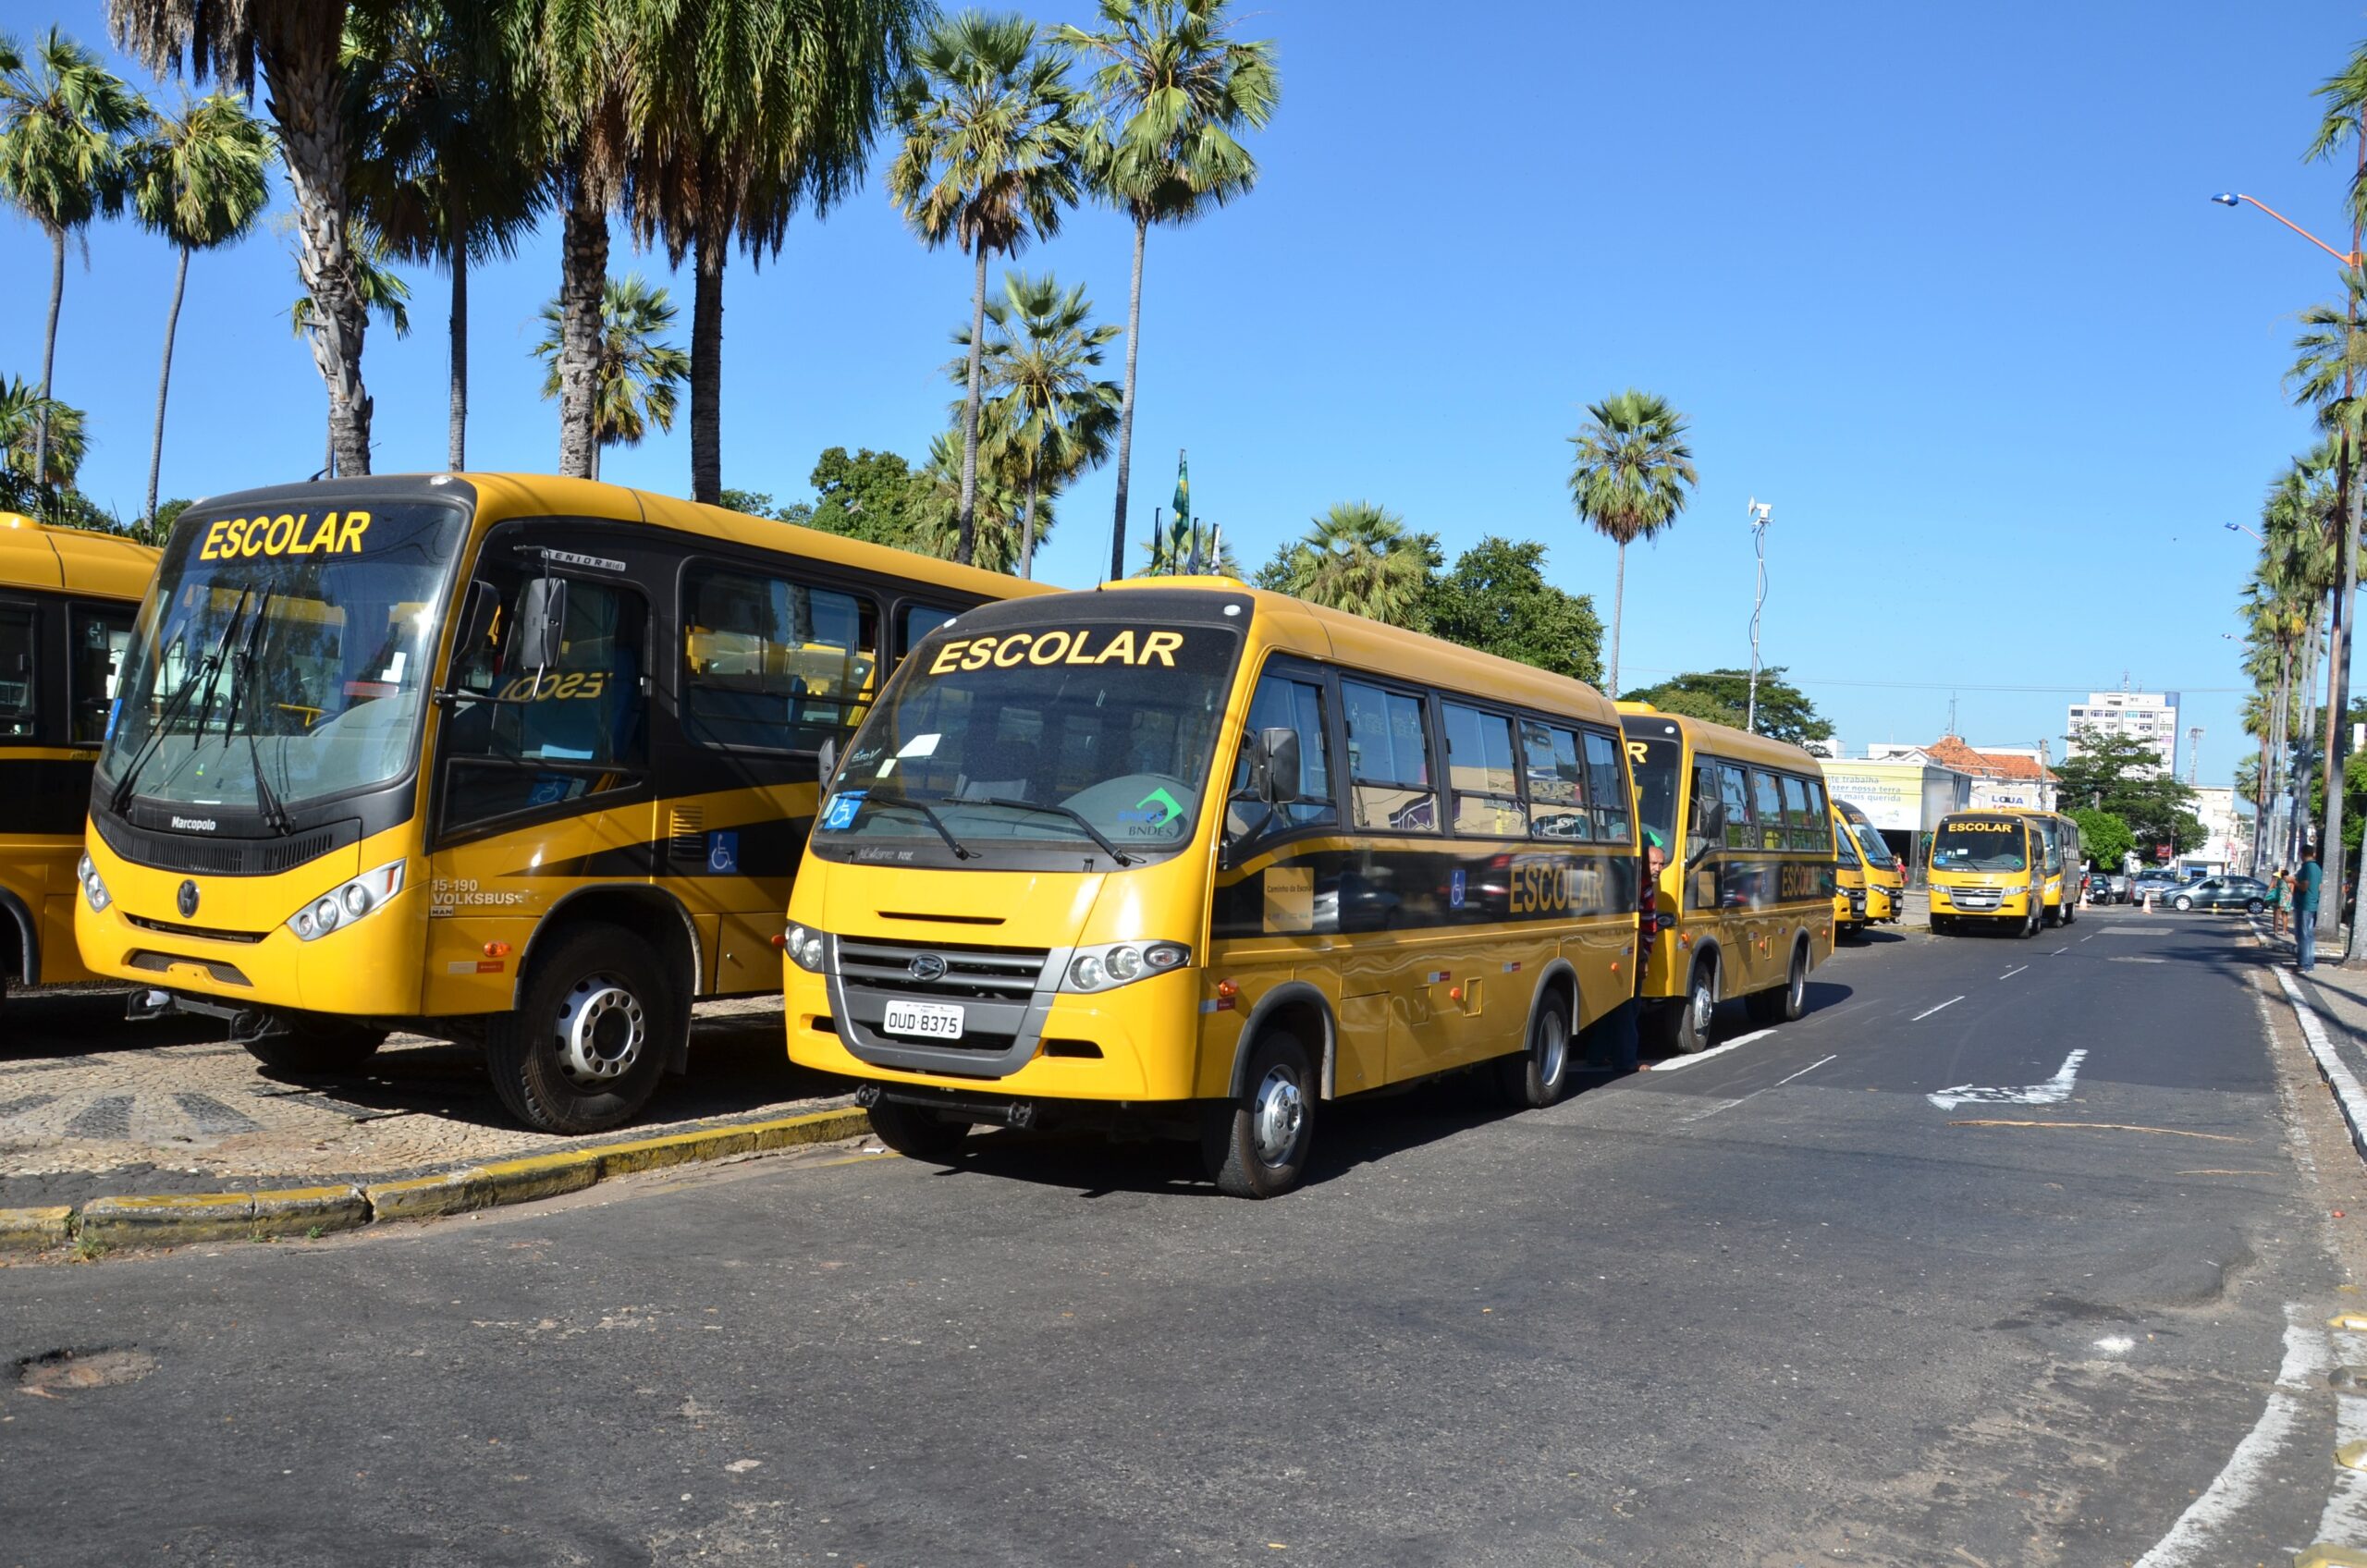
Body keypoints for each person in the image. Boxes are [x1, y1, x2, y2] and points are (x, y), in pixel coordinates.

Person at [2296, 853, 2324, 973]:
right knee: (2310, 936)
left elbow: (2304, 886)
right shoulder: (2317, 868)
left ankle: (2304, 964)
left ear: (2302, 855)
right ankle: (2309, 964)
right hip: (2313, 904)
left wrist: (2293, 881)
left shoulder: (2306, 868)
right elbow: (2320, 887)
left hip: (2305, 905)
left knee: (2304, 936)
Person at [2268, 868, 2287, 938]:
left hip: (2277, 899)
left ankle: (2275, 931)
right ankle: (2284, 931)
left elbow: (2269, 889)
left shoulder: (2275, 880)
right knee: (2284, 915)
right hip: (2285, 900)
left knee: (2276, 915)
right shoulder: (2288, 881)